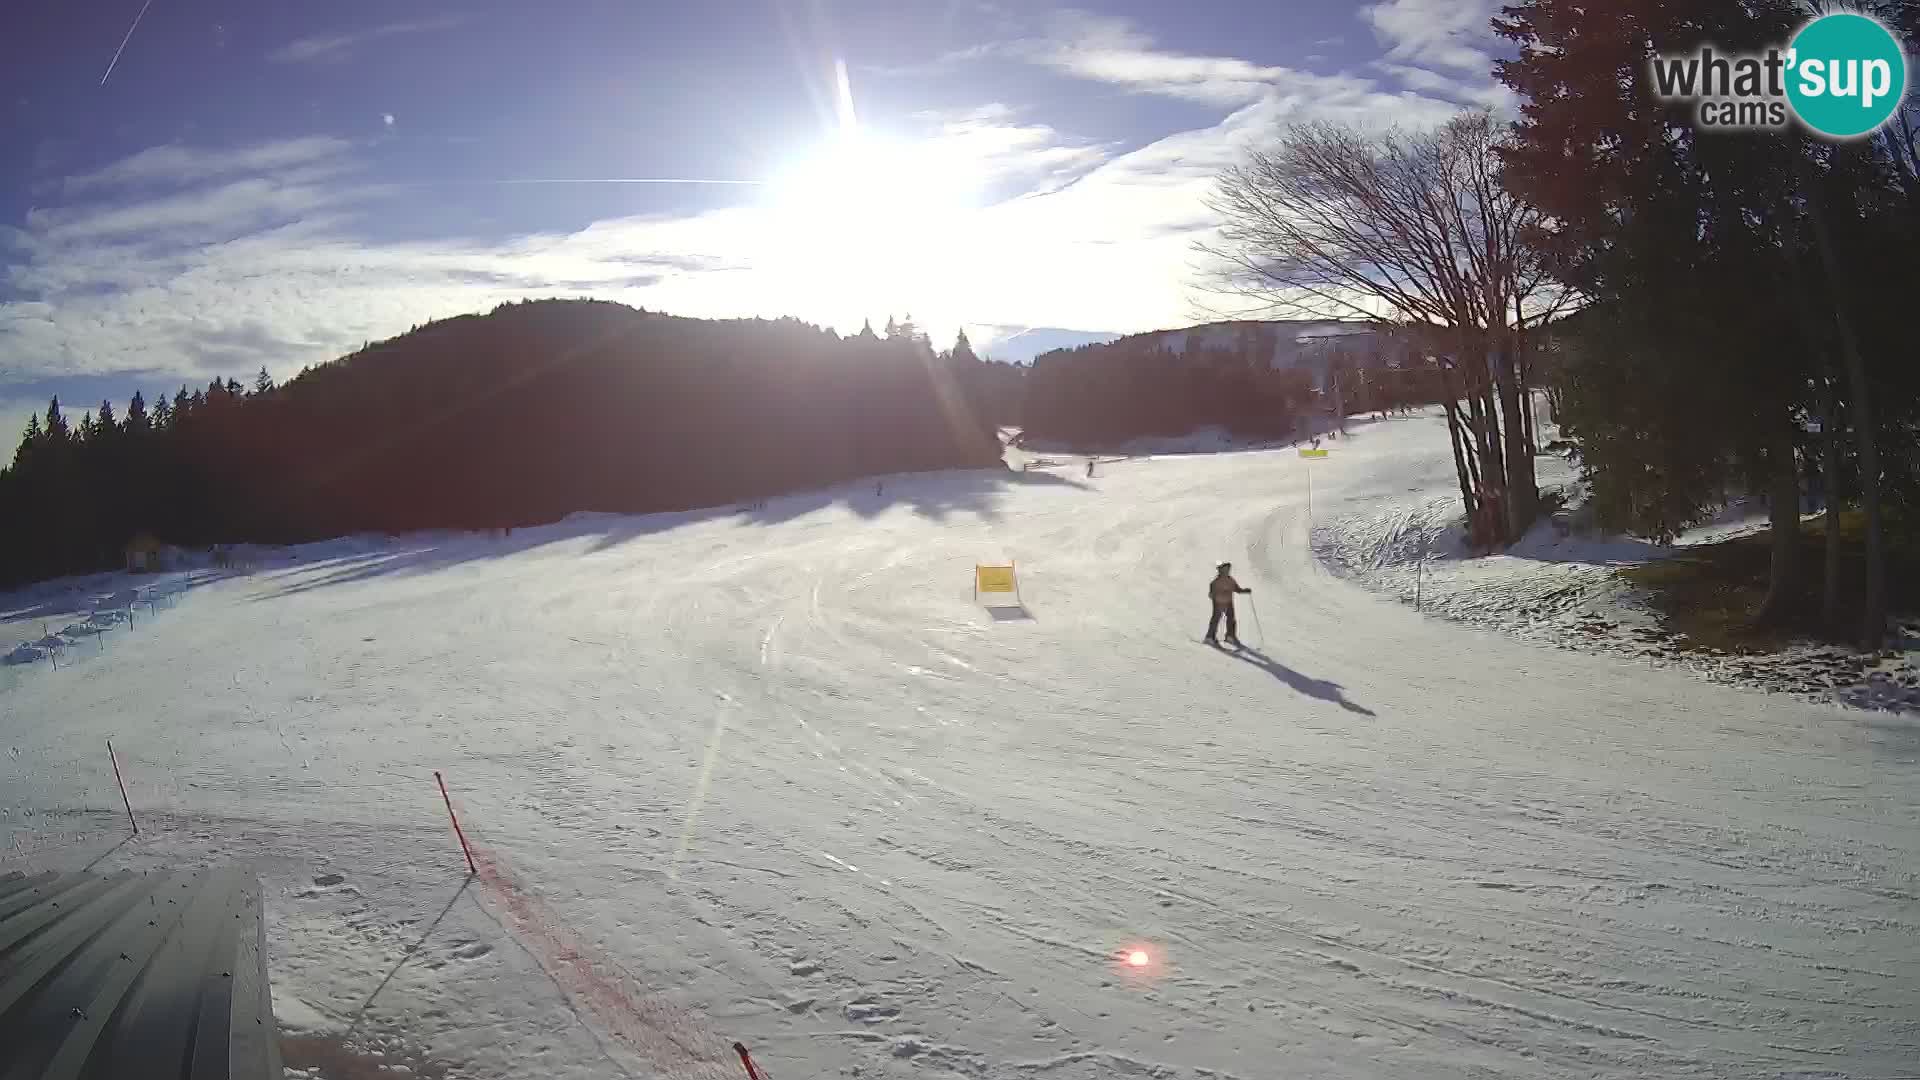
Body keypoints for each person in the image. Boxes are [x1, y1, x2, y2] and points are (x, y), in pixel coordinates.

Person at [1205, 562, 1251, 646]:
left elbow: (1237, 589)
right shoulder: (1216, 581)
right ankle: (1210, 637)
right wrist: (1213, 595)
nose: (1227, 570)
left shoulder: (1230, 580)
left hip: (1228, 602)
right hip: (1218, 602)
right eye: (1225, 569)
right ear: (1221, 570)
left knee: (1231, 619)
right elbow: (1212, 591)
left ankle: (1230, 636)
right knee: (1216, 619)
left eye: (1228, 569)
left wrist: (1245, 591)